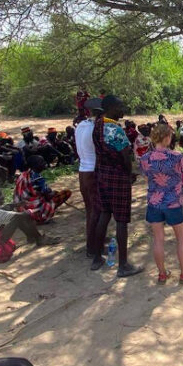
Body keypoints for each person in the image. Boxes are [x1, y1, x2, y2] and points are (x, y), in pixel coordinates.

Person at [90, 95, 143, 277]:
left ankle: (97, 258)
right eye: (120, 106)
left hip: (102, 175)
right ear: (111, 108)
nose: (123, 110)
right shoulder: (115, 129)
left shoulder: (97, 125)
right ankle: (123, 265)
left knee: (104, 215)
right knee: (121, 220)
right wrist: (129, 175)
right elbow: (125, 157)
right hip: (117, 178)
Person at [140, 123, 183, 285]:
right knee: (181, 238)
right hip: (173, 202)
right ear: (166, 138)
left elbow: (147, 179)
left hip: (154, 202)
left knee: (158, 239)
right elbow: (182, 174)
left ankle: (162, 274)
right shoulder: (176, 157)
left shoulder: (145, 159)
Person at [0, 185, 61, 264]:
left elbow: (3, 209)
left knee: (14, 216)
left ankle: (33, 237)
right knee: (17, 218)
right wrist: (36, 209)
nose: (3, 197)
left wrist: (15, 205)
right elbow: (21, 215)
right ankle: (39, 238)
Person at [75, 97, 102, 259]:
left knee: (90, 210)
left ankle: (93, 240)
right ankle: (92, 247)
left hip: (83, 171)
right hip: (93, 172)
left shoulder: (81, 126)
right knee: (96, 212)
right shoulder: (96, 129)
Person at [14, 155, 71, 225]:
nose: (44, 163)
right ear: (35, 165)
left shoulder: (23, 175)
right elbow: (48, 196)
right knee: (66, 193)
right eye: (41, 162)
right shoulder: (37, 179)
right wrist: (53, 193)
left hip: (21, 209)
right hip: (33, 210)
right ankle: (43, 216)